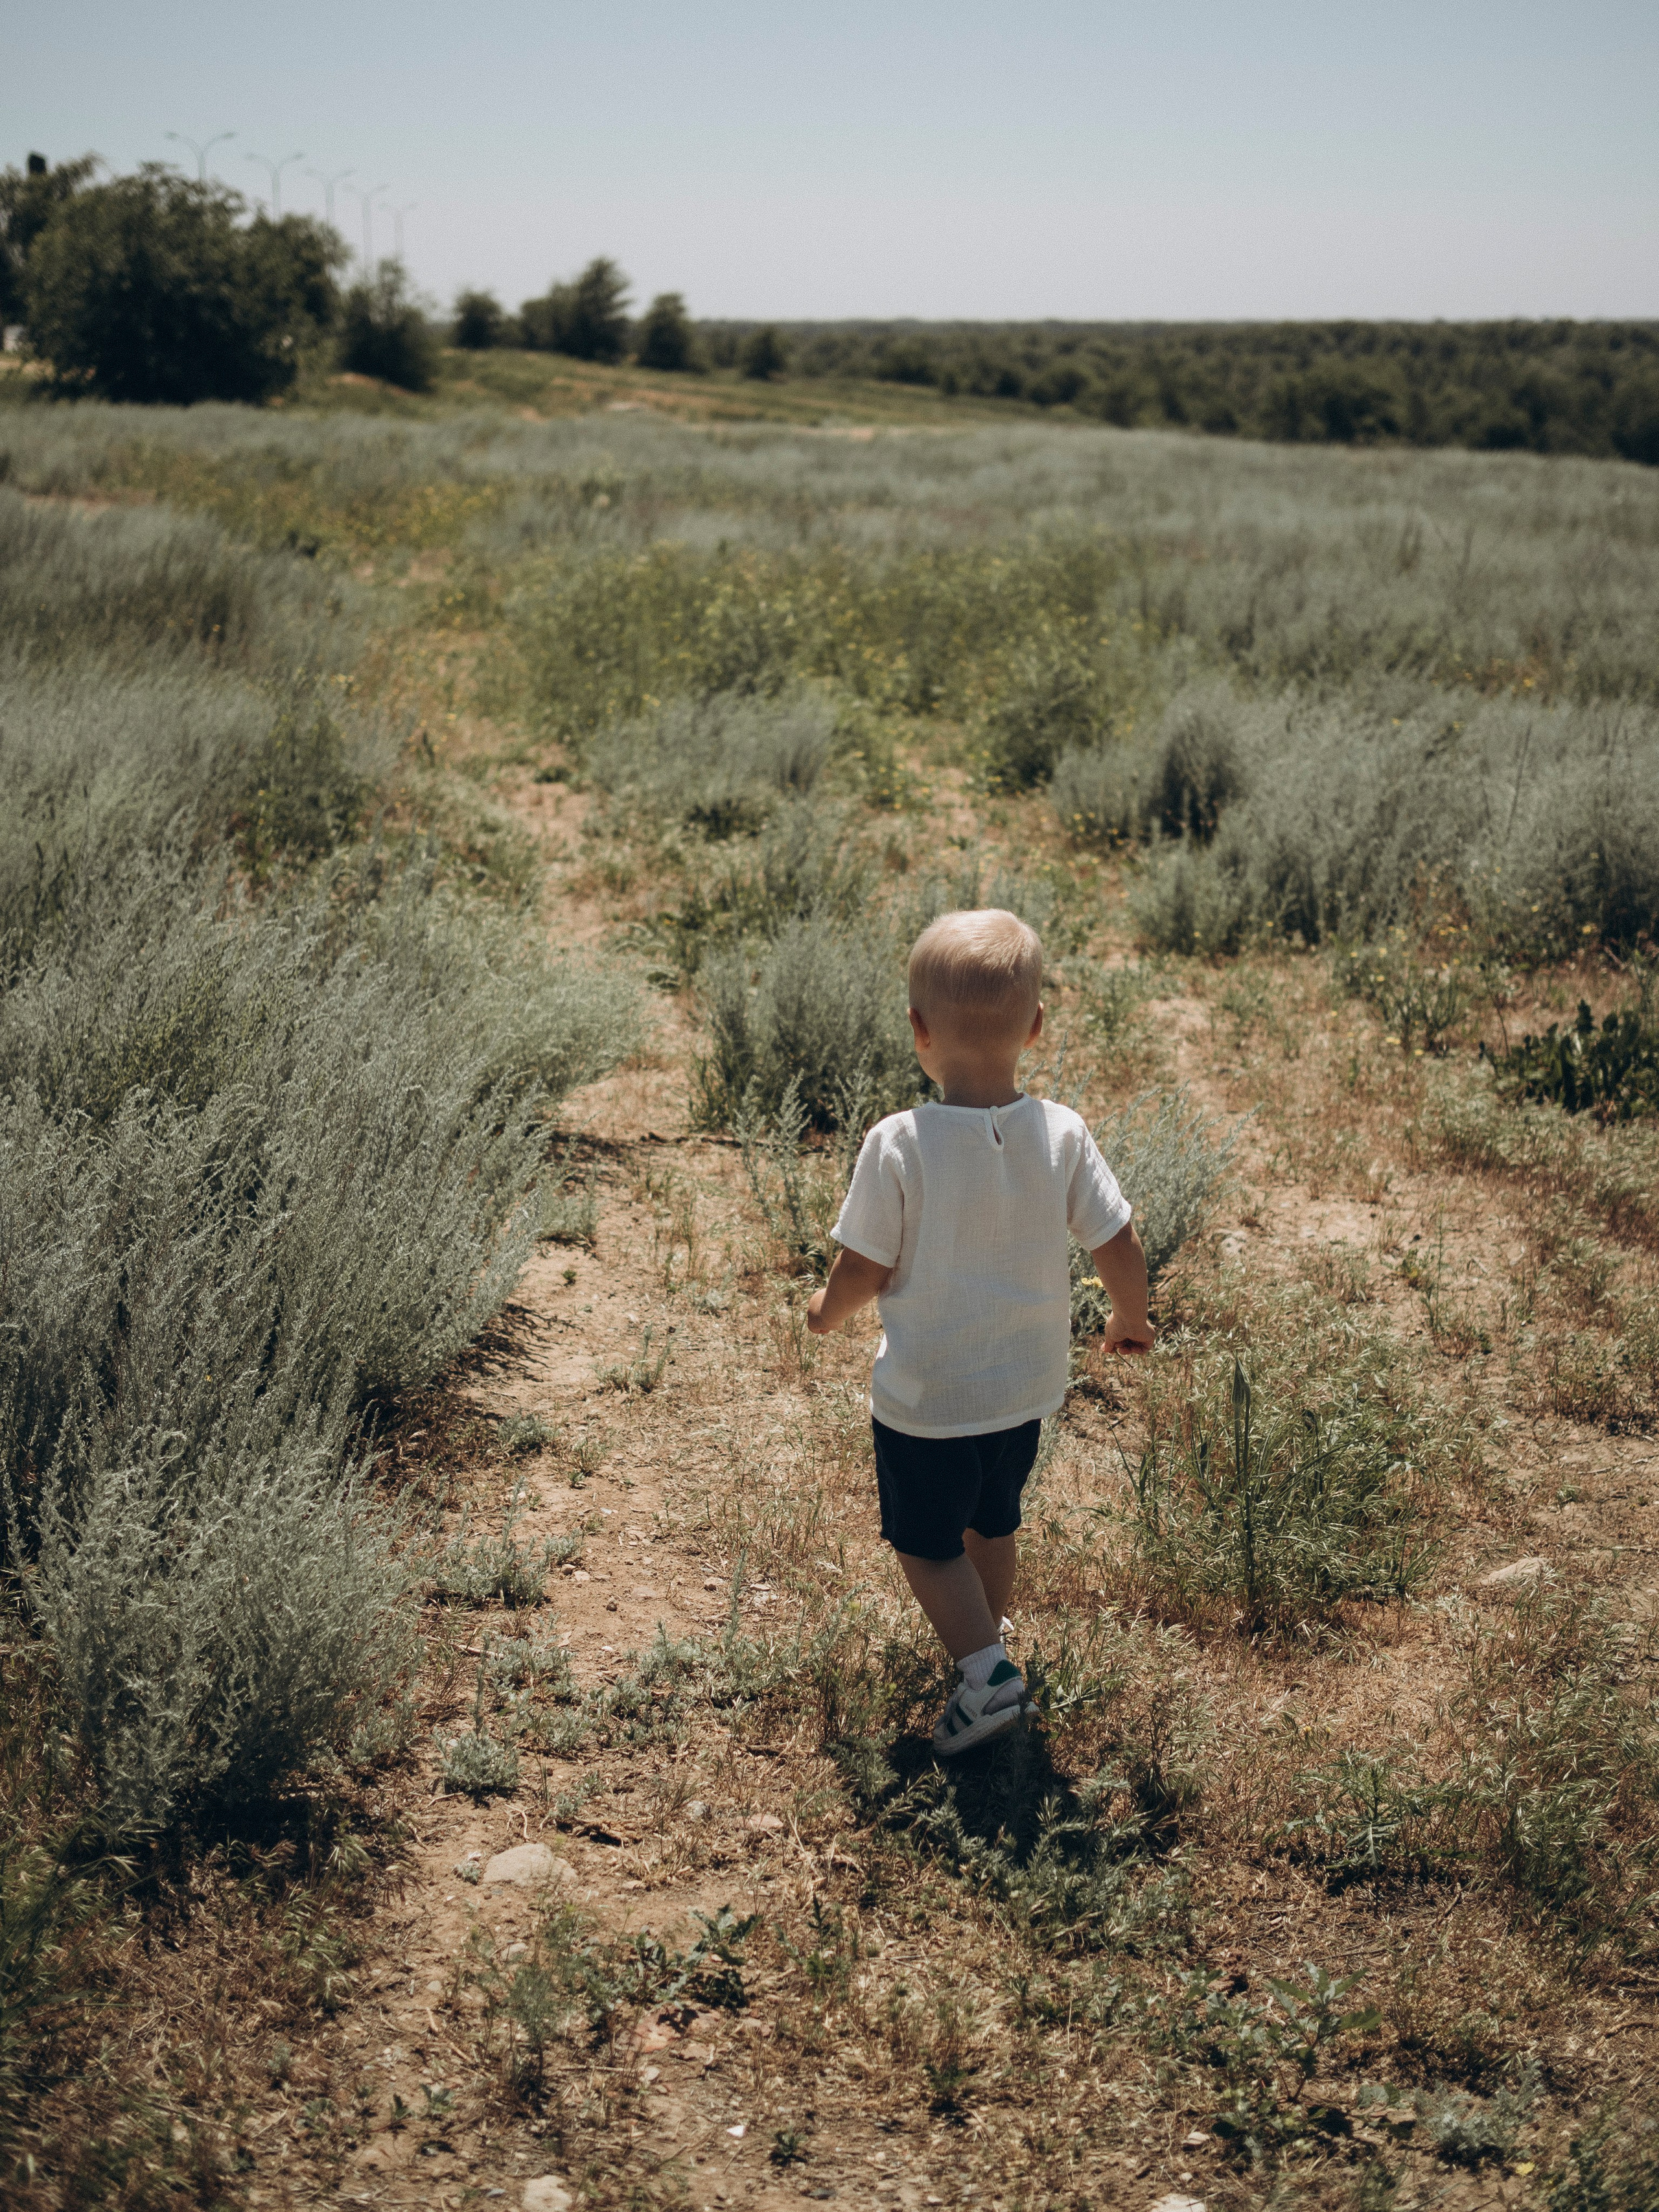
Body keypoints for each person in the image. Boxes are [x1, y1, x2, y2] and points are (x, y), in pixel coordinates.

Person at [807, 908, 1154, 1755]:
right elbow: (1118, 1238)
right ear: (1036, 1026)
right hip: (1025, 1389)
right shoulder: (1062, 1131)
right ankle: (984, 1648)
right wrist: (1131, 1316)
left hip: (930, 1396)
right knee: (991, 1526)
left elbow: (865, 1268)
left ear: (918, 1031)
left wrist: (824, 1311)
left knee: (925, 1544)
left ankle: (986, 1671)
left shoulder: (901, 1143)